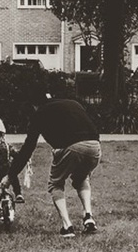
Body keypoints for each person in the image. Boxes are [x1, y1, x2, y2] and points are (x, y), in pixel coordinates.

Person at [8, 88, 101, 238]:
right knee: (82, 178)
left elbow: (28, 148)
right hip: (95, 146)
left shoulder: (39, 113)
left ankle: (67, 226)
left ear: (34, 105)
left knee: (56, 184)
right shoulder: (73, 103)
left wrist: (10, 175)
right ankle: (88, 217)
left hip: (71, 147)